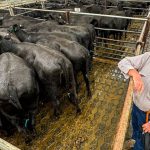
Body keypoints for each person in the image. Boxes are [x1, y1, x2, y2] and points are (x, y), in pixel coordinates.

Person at [118, 52, 150, 150]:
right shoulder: (148, 57)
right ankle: (133, 141)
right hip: (136, 106)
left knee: (143, 141)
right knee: (135, 127)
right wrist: (135, 74)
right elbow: (123, 62)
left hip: (147, 116)